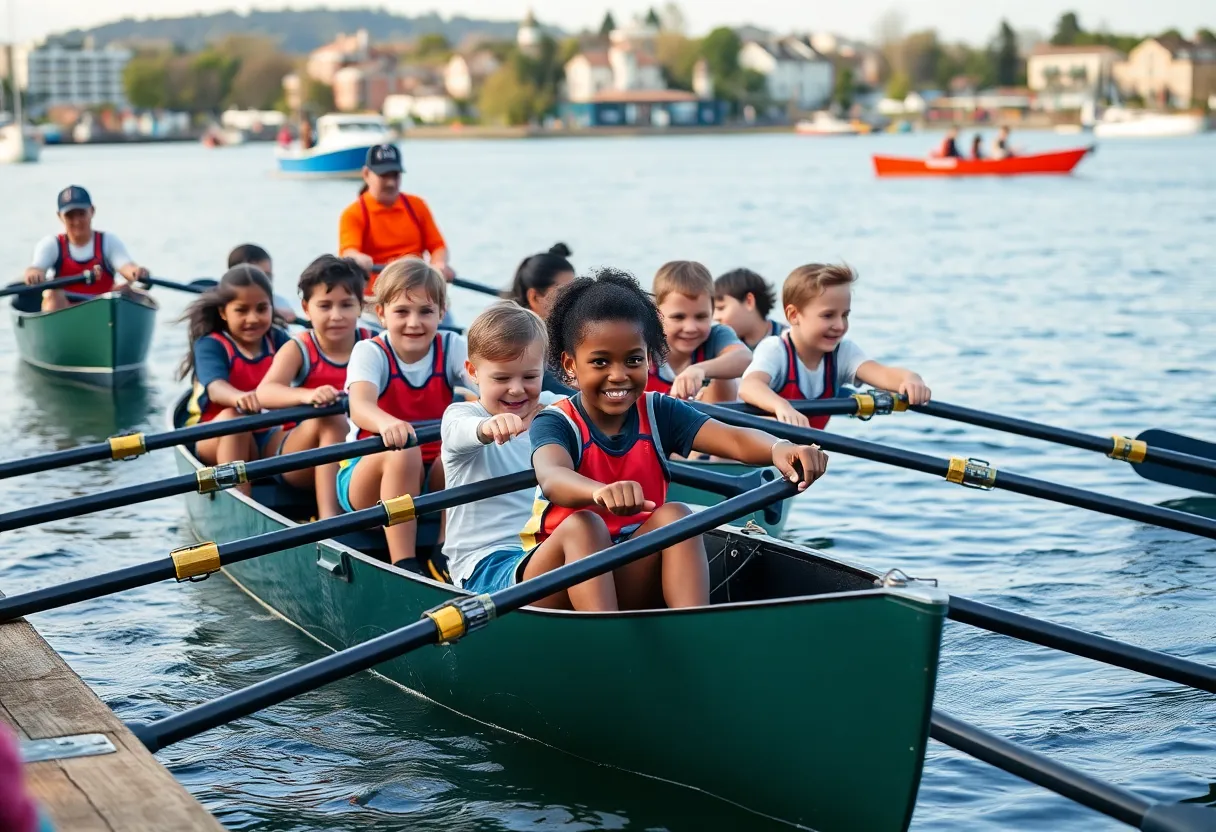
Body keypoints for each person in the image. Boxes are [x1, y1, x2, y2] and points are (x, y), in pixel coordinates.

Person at [517, 269, 828, 611]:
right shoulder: (556, 421)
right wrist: (597, 492)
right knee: (585, 525)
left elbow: (734, 440)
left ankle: (691, 628)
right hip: (551, 581)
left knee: (677, 514)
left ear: (650, 358)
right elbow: (552, 477)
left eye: (633, 360)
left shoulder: (659, 411)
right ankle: (607, 644)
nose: (618, 375)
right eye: (601, 362)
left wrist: (780, 449)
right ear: (570, 365)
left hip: (621, 571)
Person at [341, 256, 476, 569]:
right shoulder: (370, 351)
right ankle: (404, 562)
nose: (414, 323)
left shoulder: (452, 345)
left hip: (433, 478)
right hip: (368, 483)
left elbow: (487, 386)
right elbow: (360, 406)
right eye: (401, 311)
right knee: (405, 451)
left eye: (426, 312)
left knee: (469, 446)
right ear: (381, 314)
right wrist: (387, 423)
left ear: (442, 313)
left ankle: (444, 550)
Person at [442, 302, 566, 591]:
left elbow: (595, 408)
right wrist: (488, 428)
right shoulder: (463, 416)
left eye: (529, 377)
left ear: (543, 369)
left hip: (544, 546)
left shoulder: (555, 407)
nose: (516, 389)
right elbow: (461, 431)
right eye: (501, 378)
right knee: (580, 530)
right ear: (472, 372)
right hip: (486, 562)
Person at [739, 263, 932, 430]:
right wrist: (781, 407)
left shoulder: (843, 352)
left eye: (845, 315)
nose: (840, 325)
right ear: (793, 315)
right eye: (828, 315)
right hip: (747, 455)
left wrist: (909, 379)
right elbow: (749, 386)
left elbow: (881, 374)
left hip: (797, 457)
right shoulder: (775, 349)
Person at [256, 255, 374, 518]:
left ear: (361, 306)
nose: (336, 316)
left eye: (346, 305)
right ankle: (330, 522)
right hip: (296, 458)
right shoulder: (300, 348)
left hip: (353, 452)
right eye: (325, 306)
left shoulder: (373, 344)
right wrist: (309, 395)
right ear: (306, 308)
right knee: (330, 419)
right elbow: (265, 393)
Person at [179, 265, 291, 476]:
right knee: (234, 419)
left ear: (271, 307)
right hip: (217, 435)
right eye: (241, 310)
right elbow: (215, 388)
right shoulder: (211, 344)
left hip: (269, 432)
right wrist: (239, 398)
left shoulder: (278, 339)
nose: (252, 318)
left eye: (261, 308)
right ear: (223, 312)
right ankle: (240, 497)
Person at [338, 144, 452, 296]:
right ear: (366, 174)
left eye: (395, 175)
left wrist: (439, 264)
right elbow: (349, 253)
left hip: (417, 289)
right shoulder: (353, 213)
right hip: (377, 296)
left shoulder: (417, 206)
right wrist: (357, 259)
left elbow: (438, 247)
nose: (391, 183)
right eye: (384, 175)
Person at [22, 186, 151, 312]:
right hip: (66, 312)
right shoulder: (52, 244)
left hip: (103, 310)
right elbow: (36, 267)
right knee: (53, 294)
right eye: (70, 216)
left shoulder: (108, 241)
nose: (77, 221)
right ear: (59, 216)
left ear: (92, 211)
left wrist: (137, 273)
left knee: (124, 291)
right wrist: (34, 274)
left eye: (81, 214)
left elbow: (127, 267)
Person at [647, 260, 750, 403]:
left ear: (712, 311)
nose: (690, 328)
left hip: (712, 417)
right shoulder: (643, 344)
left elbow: (745, 358)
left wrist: (699, 370)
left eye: (701, 317)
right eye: (679, 317)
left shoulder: (717, 336)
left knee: (725, 379)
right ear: (656, 314)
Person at [508, 242, 576, 394]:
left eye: (575, 292)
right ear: (535, 297)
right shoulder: (517, 340)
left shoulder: (564, 334)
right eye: (564, 294)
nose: (574, 301)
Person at [712, 267, 786, 350]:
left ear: (749, 301)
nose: (715, 317)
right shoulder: (720, 348)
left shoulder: (790, 341)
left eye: (721, 308)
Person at [227, 243, 298, 323]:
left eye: (268, 276)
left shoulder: (280, 302)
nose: (264, 282)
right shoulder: (222, 303)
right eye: (257, 277)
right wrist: (273, 313)